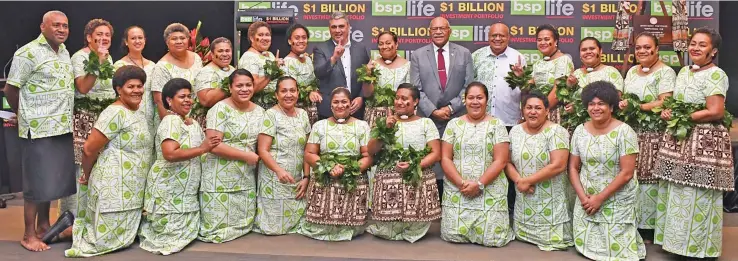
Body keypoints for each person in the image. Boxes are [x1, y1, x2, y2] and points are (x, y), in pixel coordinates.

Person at [653, 28, 732, 259]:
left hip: (704, 143)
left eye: (703, 45)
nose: (696, 48)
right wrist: (670, 113)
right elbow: (679, 104)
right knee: (677, 193)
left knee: (697, 194)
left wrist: (683, 117)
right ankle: (677, 244)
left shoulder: (717, 75)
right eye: (693, 43)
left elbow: (716, 111)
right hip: (680, 140)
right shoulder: (685, 72)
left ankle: (698, 248)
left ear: (713, 51)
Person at [4, 10, 76, 252]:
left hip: (62, 127)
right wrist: (24, 115)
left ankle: (45, 227)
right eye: (56, 25)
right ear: (43, 27)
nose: (61, 29)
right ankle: (28, 234)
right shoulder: (27, 53)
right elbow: (11, 90)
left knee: (50, 181)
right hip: (38, 129)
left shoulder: (64, 52)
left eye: (65, 26)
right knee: (35, 184)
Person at [65, 65, 154, 257]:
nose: (137, 90)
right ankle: (64, 231)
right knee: (103, 243)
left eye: (140, 86)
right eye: (131, 87)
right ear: (118, 89)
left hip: (132, 187)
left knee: (125, 241)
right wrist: (87, 175)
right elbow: (89, 149)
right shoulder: (114, 112)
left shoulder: (136, 113)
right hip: (113, 186)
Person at [139, 79, 220, 255]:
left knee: (184, 236)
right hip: (168, 187)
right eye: (182, 96)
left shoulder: (190, 122)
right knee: (169, 239)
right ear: (169, 100)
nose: (188, 100)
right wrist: (202, 149)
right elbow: (169, 153)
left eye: (189, 96)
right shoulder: (170, 121)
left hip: (184, 192)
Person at [568, 81, 645, 260]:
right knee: (587, 248)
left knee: (619, 252)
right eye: (591, 104)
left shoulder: (625, 132)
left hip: (616, 197)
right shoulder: (580, 131)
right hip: (586, 196)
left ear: (611, 107)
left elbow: (627, 173)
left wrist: (600, 198)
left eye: (601, 103)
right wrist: (583, 198)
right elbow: (572, 167)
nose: (596, 108)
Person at [440, 82, 513, 247]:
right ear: (464, 101)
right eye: (471, 98)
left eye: (479, 97)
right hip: (458, 188)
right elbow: (445, 158)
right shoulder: (454, 124)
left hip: (489, 189)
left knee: (492, 239)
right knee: (452, 235)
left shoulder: (497, 125)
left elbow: (501, 160)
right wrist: (461, 183)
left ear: (486, 100)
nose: (475, 102)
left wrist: (479, 184)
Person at [366, 83, 441, 242]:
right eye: (397, 98)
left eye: (404, 98)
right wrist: (384, 129)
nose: (399, 102)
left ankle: (414, 229)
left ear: (415, 102)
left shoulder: (426, 123)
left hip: (415, 175)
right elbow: (371, 150)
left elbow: (435, 153)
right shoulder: (384, 122)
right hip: (389, 176)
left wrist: (414, 165)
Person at [61, 19, 117, 233]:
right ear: (88, 37)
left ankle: (98, 218)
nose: (103, 39)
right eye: (99, 34)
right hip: (84, 119)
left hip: (104, 119)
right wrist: (98, 62)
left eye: (107, 35)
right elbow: (83, 88)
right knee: (81, 169)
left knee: (101, 168)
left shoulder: (109, 57)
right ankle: (73, 221)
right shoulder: (80, 57)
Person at [620, 32, 675, 241]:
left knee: (651, 177)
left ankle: (651, 227)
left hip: (655, 133)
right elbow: (626, 98)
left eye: (646, 47)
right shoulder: (633, 71)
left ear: (657, 49)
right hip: (632, 131)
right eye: (638, 48)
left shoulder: (666, 72)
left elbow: (665, 101)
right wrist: (625, 105)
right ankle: (634, 222)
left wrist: (637, 107)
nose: (642, 51)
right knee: (632, 175)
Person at [411, 16, 474, 199]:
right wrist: (433, 110)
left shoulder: (464, 53)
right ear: (429, 32)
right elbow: (416, 89)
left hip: (456, 118)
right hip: (427, 118)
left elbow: (469, 87)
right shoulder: (417, 55)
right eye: (434, 29)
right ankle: (431, 202)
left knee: (455, 160)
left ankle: (455, 199)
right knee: (430, 161)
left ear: (449, 31)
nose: (438, 32)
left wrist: (451, 108)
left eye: (442, 28)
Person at [199, 69, 263, 243]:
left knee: (244, 231)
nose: (244, 89)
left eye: (248, 85)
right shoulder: (219, 109)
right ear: (230, 87)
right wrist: (245, 156)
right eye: (239, 85)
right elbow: (213, 145)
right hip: (219, 177)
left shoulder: (260, 112)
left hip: (245, 178)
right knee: (216, 232)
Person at [301, 87, 373, 241]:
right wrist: (329, 167)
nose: (340, 105)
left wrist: (348, 169)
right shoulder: (319, 126)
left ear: (350, 104)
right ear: (331, 105)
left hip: (352, 177)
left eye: (344, 102)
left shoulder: (362, 126)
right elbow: (309, 154)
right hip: (326, 174)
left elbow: (368, 156)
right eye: (336, 102)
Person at [505, 91, 572, 251]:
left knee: (553, 239)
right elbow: (507, 162)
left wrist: (528, 181)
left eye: (538, 108)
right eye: (528, 108)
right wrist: (519, 181)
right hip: (524, 199)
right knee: (522, 235)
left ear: (547, 111)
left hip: (551, 206)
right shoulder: (515, 131)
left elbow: (559, 165)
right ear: (523, 110)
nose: (532, 112)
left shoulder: (557, 132)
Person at [472, 22, 525, 214]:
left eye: (502, 35)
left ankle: (509, 208)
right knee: (483, 162)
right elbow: (470, 88)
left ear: (509, 37)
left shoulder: (518, 58)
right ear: (488, 36)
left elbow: (526, 91)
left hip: (508, 120)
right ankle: (480, 204)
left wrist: (521, 77)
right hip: (481, 121)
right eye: (494, 35)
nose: (497, 38)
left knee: (507, 164)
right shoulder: (477, 56)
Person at [254, 76, 311, 235]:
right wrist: (279, 170)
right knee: (274, 229)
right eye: (284, 91)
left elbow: (307, 148)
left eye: (292, 90)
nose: (288, 94)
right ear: (276, 95)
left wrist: (307, 177)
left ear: (298, 93)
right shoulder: (270, 115)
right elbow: (263, 150)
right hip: (274, 178)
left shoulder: (303, 114)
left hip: (296, 179)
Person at [312, 12, 370, 120]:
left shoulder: (361, 49)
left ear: (348, 27)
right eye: (334, 27)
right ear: (329, 29)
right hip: (328, 111)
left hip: (355, 110)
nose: (337, 30)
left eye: (341, 26)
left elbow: (366, 77)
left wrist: (361, 97)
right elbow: (319, 73)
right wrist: (334, 58)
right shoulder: (320, 49)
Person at [152, 23, 203, 125]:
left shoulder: (196, 58)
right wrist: (174, 124)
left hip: (197, 118)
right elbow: (159, 101)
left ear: (188, 40)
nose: (179, 41)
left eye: (182, 38)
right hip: (174, 122)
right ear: (167, 42)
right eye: (174, 39)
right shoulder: (161, 67)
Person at [113, 26, 157, 135]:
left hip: (151, 118)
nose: (137, 41)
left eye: (140, 38)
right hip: (129, 117)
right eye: (133, 38)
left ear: (144, 40)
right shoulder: (120, 65)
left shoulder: (152, 65)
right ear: (126, 42)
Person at [363, 31, 410, 127]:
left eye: (388, 43)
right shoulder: (372, 65)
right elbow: (367, 94)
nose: (384, 46)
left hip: (399, 115)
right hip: (375, 116)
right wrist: (367, 74)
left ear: (396, 44)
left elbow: (410, 95)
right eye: (381, 44)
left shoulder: (407, 66)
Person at [529, 24, 574, 123]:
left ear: (555, 41)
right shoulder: (538, 63)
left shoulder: (563, 60)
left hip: (556, 113)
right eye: (539, 40)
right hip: (538, 113)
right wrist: (520, 77)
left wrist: (542, 112)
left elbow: (558, 91)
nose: (542, 42)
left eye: (546, 39)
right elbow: (529, 88)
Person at [281, 24, 320, 124]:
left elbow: (314, 81)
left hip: (313, 111)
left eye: (304, 37)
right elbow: (290, 89)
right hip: (296, 113)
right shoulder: (287, 62)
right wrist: (308, 93)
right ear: (290, 41)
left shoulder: (307, 59)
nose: (301, 41)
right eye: (297, 38)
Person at [238, 22, 282, 109]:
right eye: (261, 35)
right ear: (252, 38)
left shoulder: (269, 55)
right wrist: (273, 70)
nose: (265, 38)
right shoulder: (249, 57)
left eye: (267, 35)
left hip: (275, 107)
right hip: (259, 108)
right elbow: (252, 88)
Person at [193, 37, 235, 127]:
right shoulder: (206, 72)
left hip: (229, 119)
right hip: (208, 123)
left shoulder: (232, 69)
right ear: (212, 54)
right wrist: (230, 85)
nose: (224, 54)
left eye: (227, 51)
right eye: (220, 51)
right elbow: (205, 101)